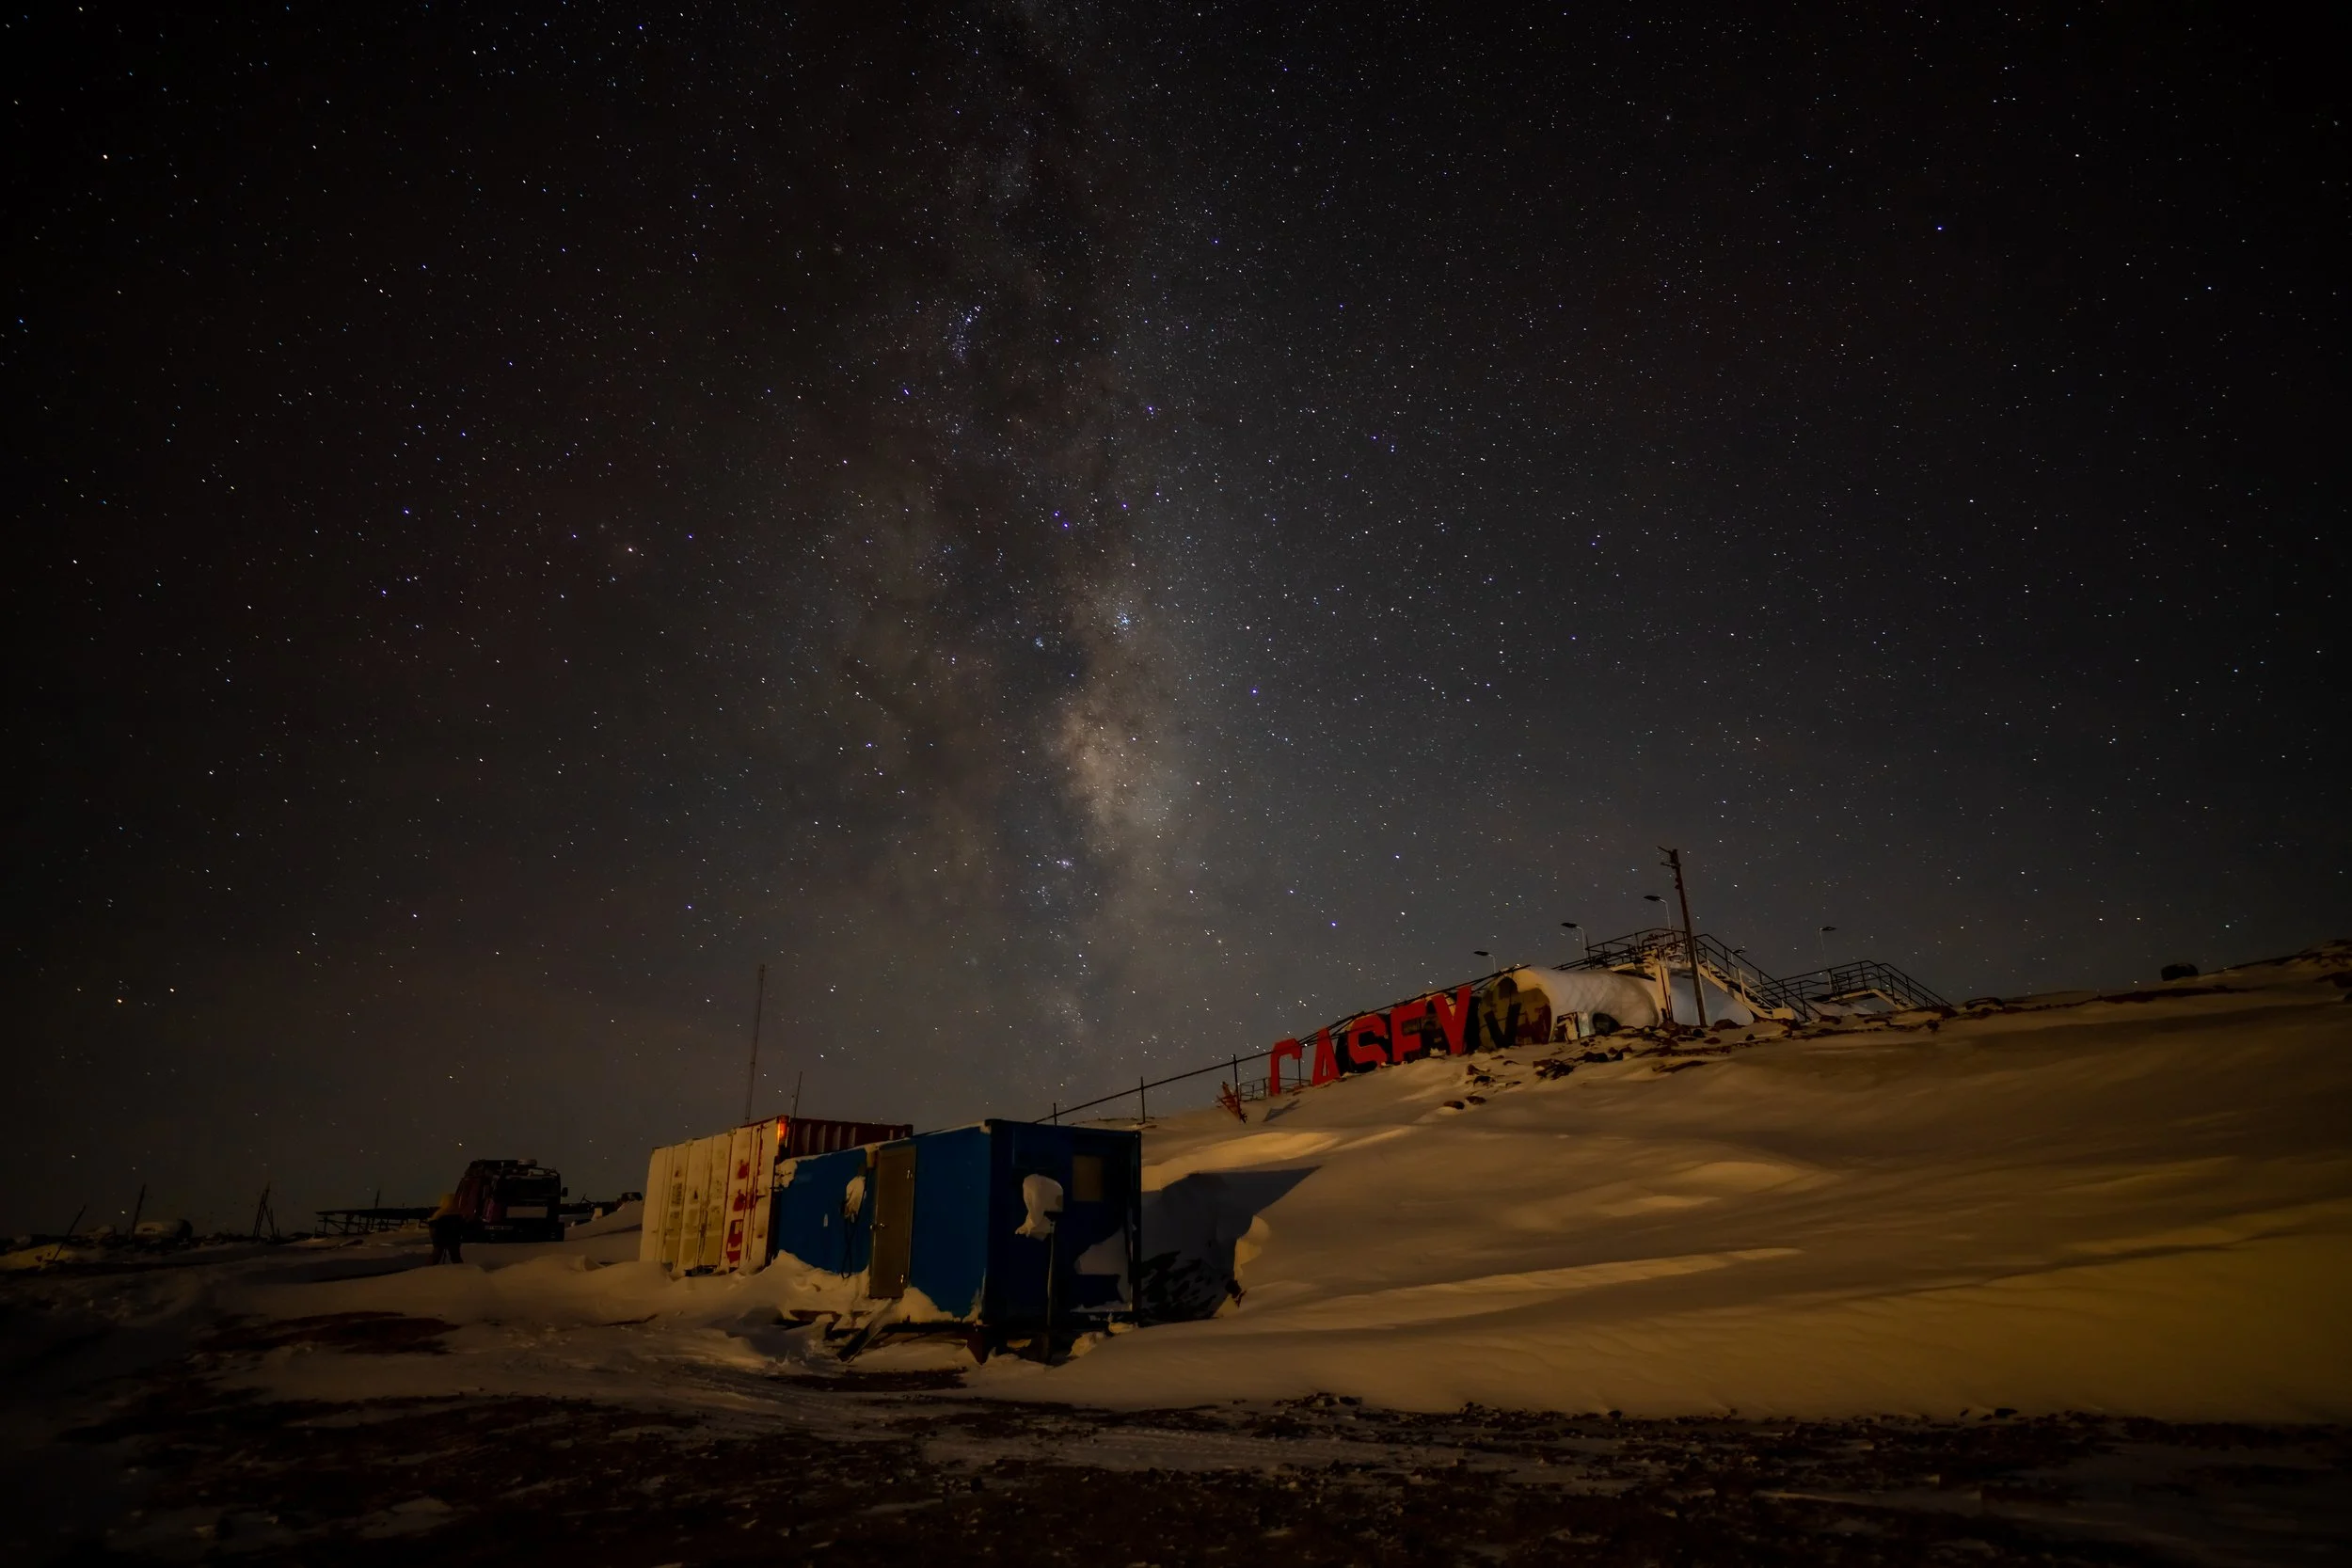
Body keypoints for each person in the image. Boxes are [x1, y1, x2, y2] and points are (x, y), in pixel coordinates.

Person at [427, 1193, 465, 1265]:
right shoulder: (458, 1216)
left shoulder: (438, 1215)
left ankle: (427, 1271)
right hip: (452, 1240)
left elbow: (433, 1230)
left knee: (436, 1255)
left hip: (442, 1240)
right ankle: (461, 1271)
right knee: (455, 1256)